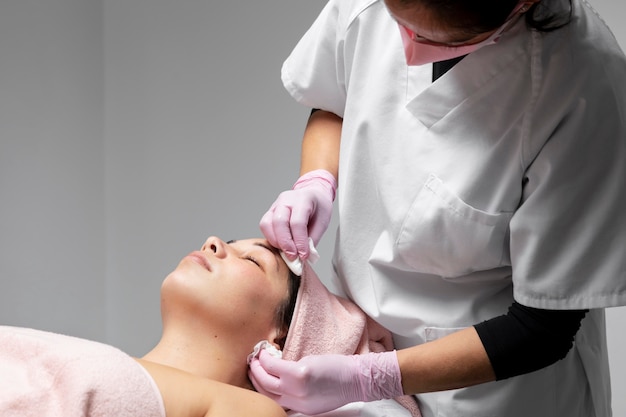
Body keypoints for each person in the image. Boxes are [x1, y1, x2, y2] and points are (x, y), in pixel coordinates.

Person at [249, 0, 626, 416]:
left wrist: (369, 376)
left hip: (493, 392)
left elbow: (542, 327)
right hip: (354, 349)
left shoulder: (582, 82)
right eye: (401, 25)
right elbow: (333, 99)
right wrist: (316, 179)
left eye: (438, 40)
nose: (409, 51)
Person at [1, 236, 298, 417]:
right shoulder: (98, 357)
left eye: (252, 259)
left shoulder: (250, 410)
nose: (213, 241)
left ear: (279, 340)